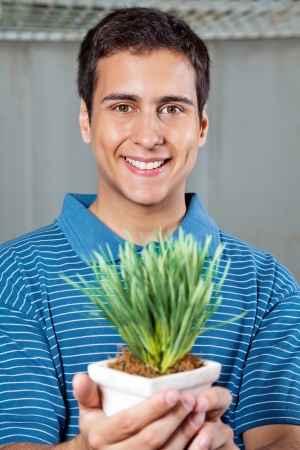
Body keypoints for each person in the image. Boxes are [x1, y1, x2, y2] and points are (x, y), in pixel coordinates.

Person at [0, 7, 300, 450]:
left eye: (172, 108)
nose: (148, 135)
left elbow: (282, 438)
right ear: (86, 120)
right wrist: (88, 448)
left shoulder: (266, 286)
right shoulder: (15, 276)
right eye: (123, 106)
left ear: (201, 126)